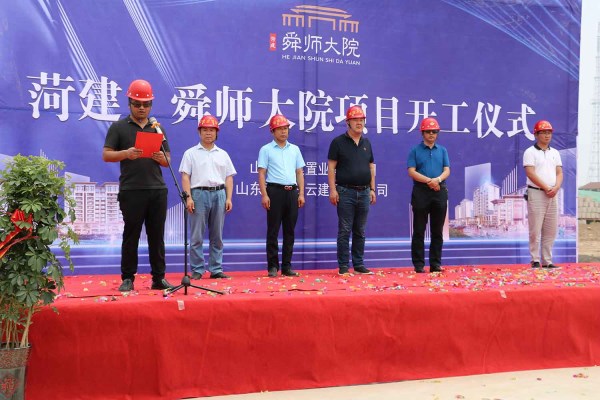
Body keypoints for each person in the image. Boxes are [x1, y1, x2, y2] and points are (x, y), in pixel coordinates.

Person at [103, 79, 174, 292]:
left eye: (146, 104)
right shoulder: (119, 127)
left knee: (157, 236)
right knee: (131, 235)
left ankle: (158, 278)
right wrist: (126, 153)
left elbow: (168, 160)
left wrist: (161, 157)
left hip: (157, 189)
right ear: (129, 104)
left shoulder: (157, 128)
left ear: (151, 105)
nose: (142, 108)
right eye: (137, 104)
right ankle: (127, 278)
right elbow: (106, 154)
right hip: (132, 190)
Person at [179, 114, 236, 279]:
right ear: (199, 132)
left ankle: (216, 269)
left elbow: (229, 177)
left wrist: (228, 198)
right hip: (198, 194)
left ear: (217, 133)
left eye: (212, 130)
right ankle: (197, 269)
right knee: (197, 235)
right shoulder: (190, 153)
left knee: (217, 235)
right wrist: (188, 198)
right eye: (205, 130)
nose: (208, 133)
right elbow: (185, 177)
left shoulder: (223, 154)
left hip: (219, 194)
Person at [327, 105, 376, 276]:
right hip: (345, 192)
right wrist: (332, 190)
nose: (359, 123)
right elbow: (331, 168)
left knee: (360, 230)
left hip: (364, 192)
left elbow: (371, 167)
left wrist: (372, 189)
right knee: (344, 230)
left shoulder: (367, 143)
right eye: (355, 120)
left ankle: (359, 264)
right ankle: (343, 266)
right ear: (348, 122)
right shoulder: (338, 142)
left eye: (361, 120)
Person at [258, 114, 305, 277]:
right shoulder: (266, 149)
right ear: (272, 131)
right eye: (280, 129)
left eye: (285, 128)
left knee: (289, 231)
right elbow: (262, 173)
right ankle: (272, 266)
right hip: (275, 191)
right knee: (273, 230)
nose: (283, 132)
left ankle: (286, 266)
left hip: (292, 192)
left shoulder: (295, 149)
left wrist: (301, 193)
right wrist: (264, 195)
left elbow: (299, 172)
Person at [407, 117, 450, 273]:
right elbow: (411, 171)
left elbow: (447, 170)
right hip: (421, 191)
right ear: (422, 133)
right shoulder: (415, 150)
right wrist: (429, 181)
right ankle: (418, 265)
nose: (431, 134)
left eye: (434, 131)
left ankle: (435, 264)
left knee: (437, 231)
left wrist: (437, 180)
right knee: (419, 229)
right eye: (428, 131)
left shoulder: (442, 150)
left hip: (439, 190)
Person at [523, 120, 563, 269]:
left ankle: (547, 260)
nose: (547, 135)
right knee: (535, 229)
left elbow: (559, 173)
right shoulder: (530, 152)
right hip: (537, 193)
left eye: (549, 132)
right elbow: (530, 173)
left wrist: (556, 187)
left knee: (550, 229)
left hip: (553, 193)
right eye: (544, 132)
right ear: (536, 134)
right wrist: (546, 188)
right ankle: (535, 259)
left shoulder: (555, 153)